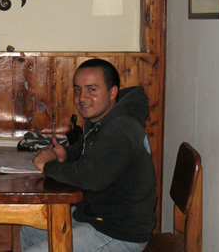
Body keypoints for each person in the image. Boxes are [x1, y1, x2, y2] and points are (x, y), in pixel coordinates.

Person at [20, 59, 157, 252]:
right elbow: (88, 152)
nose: (81, 97)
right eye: (77, 90)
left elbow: (90, 177)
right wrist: (66, 154)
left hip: (117, 231)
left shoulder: (120, 129)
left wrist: (48, 166)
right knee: (30, 231)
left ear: (112, 92)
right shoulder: (101, 119)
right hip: (93, 216)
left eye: (92, 89)